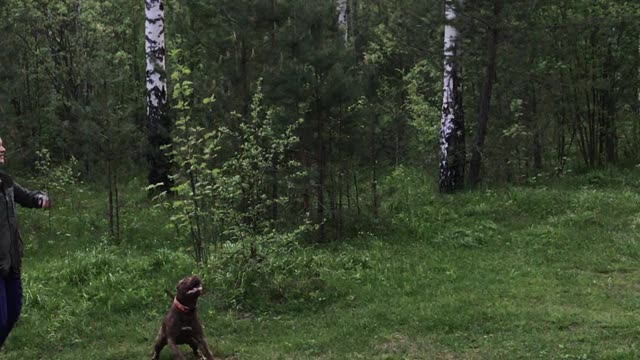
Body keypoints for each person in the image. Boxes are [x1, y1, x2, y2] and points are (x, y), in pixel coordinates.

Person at [0, 137, 51, 349]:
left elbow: (27, 196)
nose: (3, 148)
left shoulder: (6, 182)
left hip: (11, 263)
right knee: (0, 319)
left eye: (2, 143)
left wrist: (40, 197)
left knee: (13, 313)